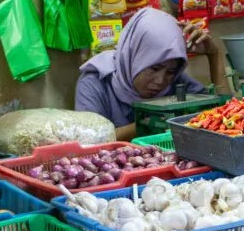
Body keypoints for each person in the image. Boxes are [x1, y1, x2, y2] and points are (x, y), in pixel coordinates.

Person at [76, 8, 230, 140]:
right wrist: (149, 122)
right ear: (135, 55)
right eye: (154, 68)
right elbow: (89, 141)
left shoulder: (176, 82)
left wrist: (214, 55)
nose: (160, 80)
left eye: (170, 71)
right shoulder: (96, 83)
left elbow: (227, 116)